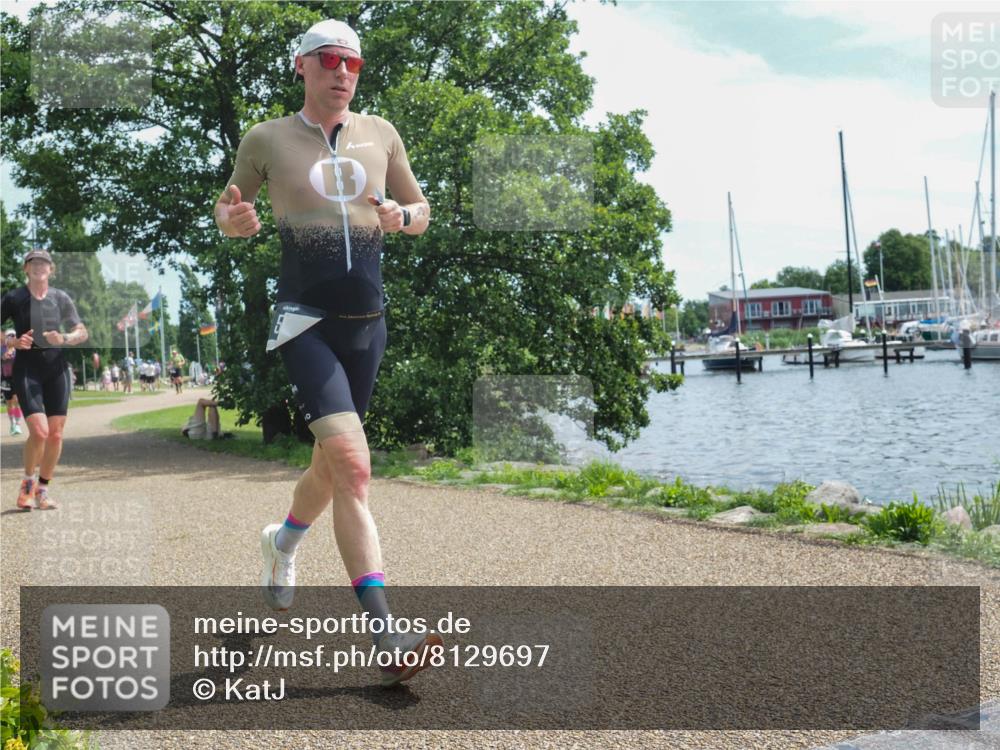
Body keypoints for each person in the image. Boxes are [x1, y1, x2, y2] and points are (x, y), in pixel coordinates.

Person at [214, 18, 436, 687]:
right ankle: (387, 632)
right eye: (331, 59)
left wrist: (405, 216)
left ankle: (282, 541)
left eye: (354, 63)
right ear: (302, 66)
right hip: (303, 320)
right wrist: (234, 221)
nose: (343, 71)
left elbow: (419, 205)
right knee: (353, 466)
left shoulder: (382, 133)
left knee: (331, 468)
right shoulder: (267, 139)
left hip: (367, 323)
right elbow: (227, 212)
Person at [1, 249, 88, 510]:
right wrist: (12, 341)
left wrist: (65, 338)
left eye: (44, 263)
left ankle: (43, 490)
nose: (39, 266)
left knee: (56, 435)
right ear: (25, 268)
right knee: (39, 432)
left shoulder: (60, 298)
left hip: (56, 370)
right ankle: (27, 484)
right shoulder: (14, 297)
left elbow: (81, 331)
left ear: (51, 269)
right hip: (27, 369)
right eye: (33, 262)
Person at [2, 329, 24, 435]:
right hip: (5, 378)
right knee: (9, 402)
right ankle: (12, 424)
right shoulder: (2, 348)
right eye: (9, 336)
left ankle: (18, 424)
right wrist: (3, 356)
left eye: (13, 336)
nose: (12, 337)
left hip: (16, 377)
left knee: (16, 400)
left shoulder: (18, 350)